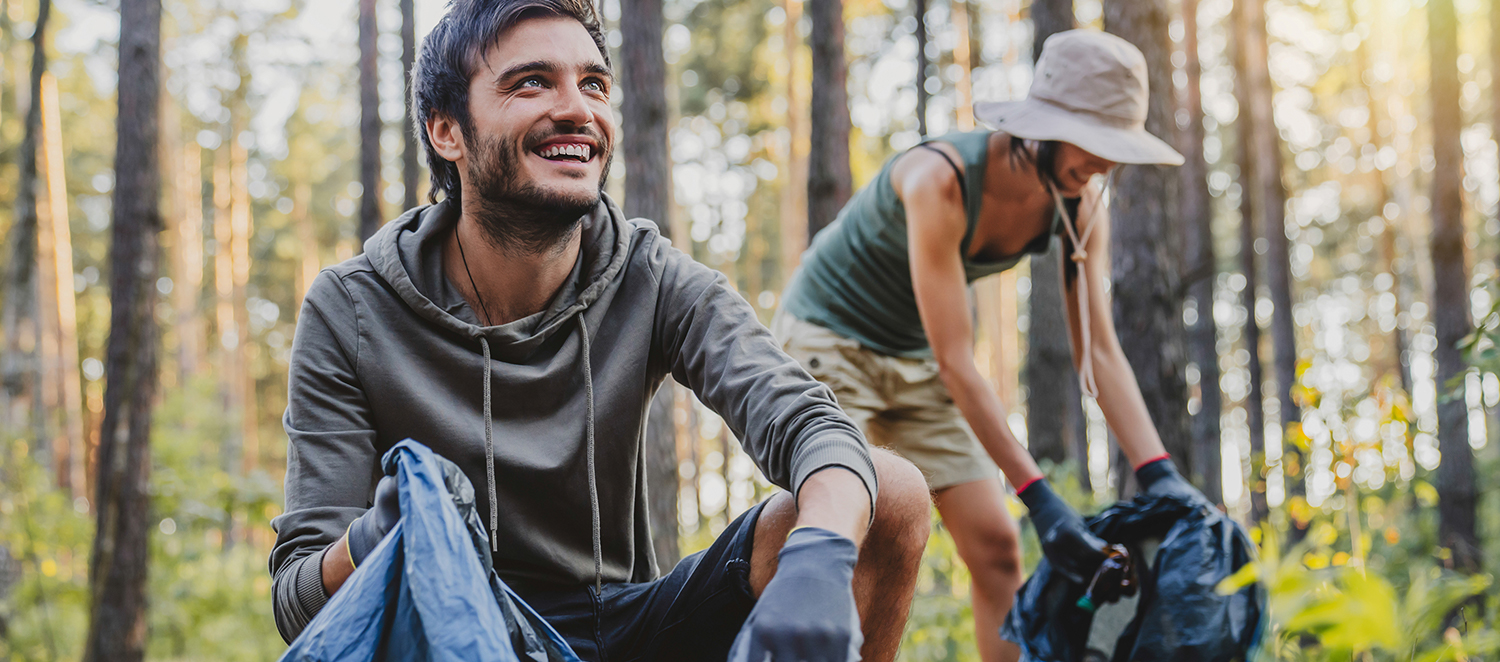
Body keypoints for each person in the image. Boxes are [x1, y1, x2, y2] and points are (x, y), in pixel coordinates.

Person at [267, 0, 932, 660]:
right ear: (448, 131)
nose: (578, 110)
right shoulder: (350, 307)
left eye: (593, 83)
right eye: (532, 81)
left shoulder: (652, 274)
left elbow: (812, 427)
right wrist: (380, 536)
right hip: (450, 627)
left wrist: (818, 556)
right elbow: (298, 603)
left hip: (627, 627)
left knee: (888, 492)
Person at [773, 29, 1212, 662]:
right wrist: (1041, 498)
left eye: (1117, 150)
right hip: (829, 340)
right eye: (1094, 145)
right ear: (1046, 126)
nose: (1105, 165)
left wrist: (1161, 475)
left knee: (999, 547)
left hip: (916, 360)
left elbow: (1101, 353)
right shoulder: (940, 180)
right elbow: (958, 361)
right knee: (854, 528)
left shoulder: (1081, 203)